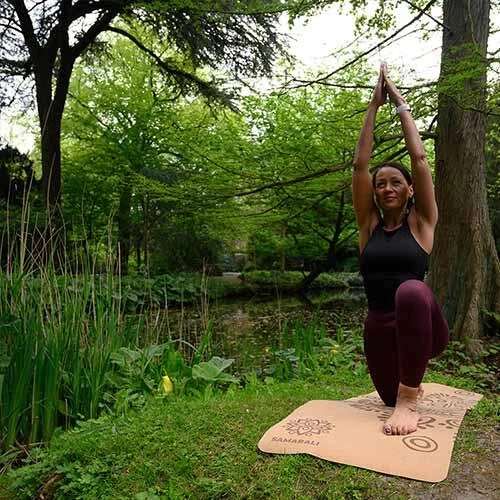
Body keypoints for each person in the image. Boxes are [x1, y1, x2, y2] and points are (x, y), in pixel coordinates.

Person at [352, 63, 449, 436]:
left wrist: (399, 103)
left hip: (422, 323)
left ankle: (410, 398)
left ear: (410, 190)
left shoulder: (422, 222)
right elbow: (359, 166)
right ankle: (404, 392)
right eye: (381, 184)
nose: (387, 188)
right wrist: (372, 106)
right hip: (379, 326)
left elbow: (420, 160)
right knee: (387, 399)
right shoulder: (369, 226)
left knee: (410, 290)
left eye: (396, 182)